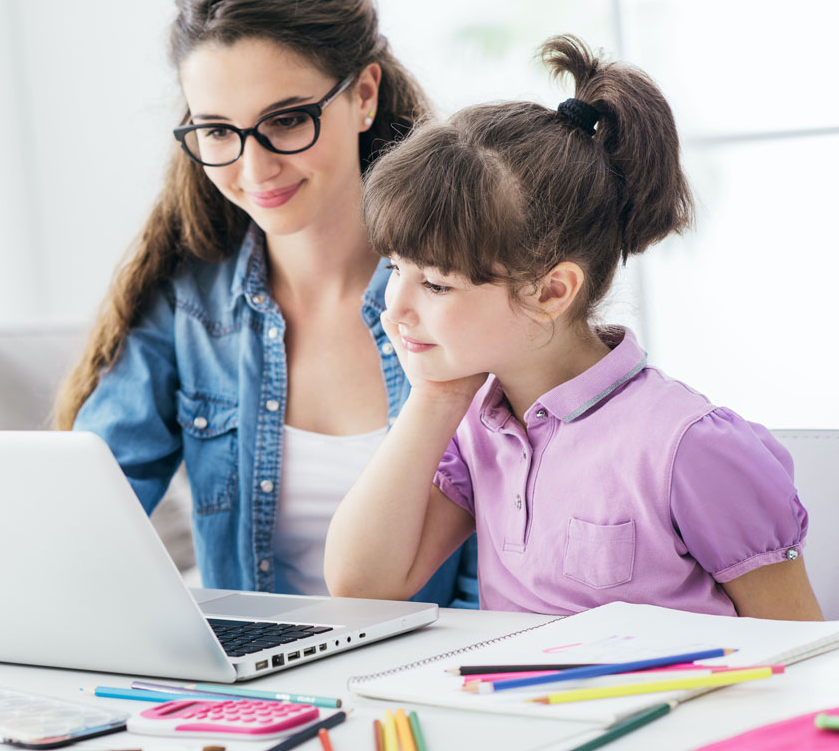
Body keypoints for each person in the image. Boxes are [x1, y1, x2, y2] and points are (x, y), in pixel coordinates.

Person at [325, 35, 823, 620]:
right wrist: (434, 396)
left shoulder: (689, 446)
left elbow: (800, 650)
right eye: (394, 268)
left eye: (435, 284)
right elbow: (360, 583)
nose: (394, 307)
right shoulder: (474, 426)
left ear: (551, 292)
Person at [53, 0, 477, 604]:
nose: (254, 168)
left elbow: (513, 564)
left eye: (285, 120)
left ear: (363, 96)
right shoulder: (188, 306)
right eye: (218, 131)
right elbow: (79, 518)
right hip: (258, 693)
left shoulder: (470, 289)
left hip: (438, 677)